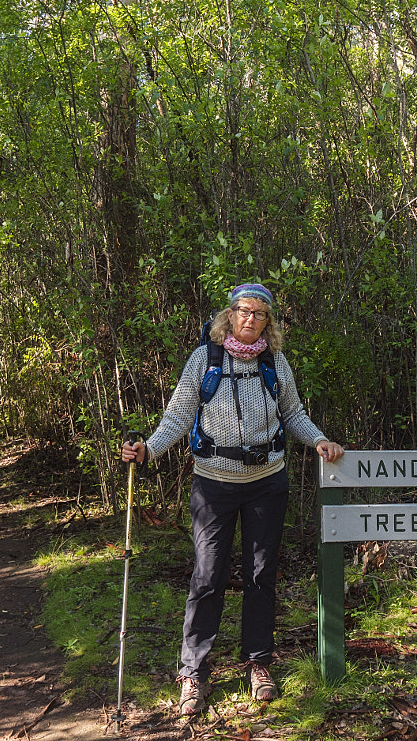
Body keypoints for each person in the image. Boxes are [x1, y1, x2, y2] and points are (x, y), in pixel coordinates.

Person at [121, 283, 345, 715]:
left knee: (262, 575)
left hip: (267, 483)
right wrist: (148, 449)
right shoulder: (204, 359)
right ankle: (193, 672)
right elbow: (178, 415)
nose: (249, 318)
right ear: (229, 315)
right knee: (208, 576)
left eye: (259, 313)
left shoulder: (274, 362)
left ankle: (258, 663)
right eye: (243, 310)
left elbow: (293, 413)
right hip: (213, 486)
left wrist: (319, 440)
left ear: (268, 322)